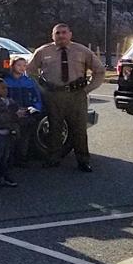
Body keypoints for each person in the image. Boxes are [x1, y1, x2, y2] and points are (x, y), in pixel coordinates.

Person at [28, 23, 103, 172]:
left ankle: (83, 161)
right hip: (53, 95)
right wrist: (41, 89)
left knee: (79, 129)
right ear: (52, 36)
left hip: (76, 95)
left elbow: (99, 71)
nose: (61, 35)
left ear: (70, 34)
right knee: (54, 128)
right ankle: (53, 159)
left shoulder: (82, 51)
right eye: (57, 33)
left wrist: (87, 89)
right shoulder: (43, 51)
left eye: (64, 32)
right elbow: (30, 71)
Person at [4, 57, 43, 166]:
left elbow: (37, 98)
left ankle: (22, 158)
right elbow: (4, 99)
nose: (22, 68)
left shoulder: (29, 82)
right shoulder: (6, 81)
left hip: (27, 113)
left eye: (24, 65)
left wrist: (34, 109)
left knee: (25, 137)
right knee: (12, 137)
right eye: (19, 65)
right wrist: (13, 111)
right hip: (11, 114)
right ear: (12, 66)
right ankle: (9, 159)